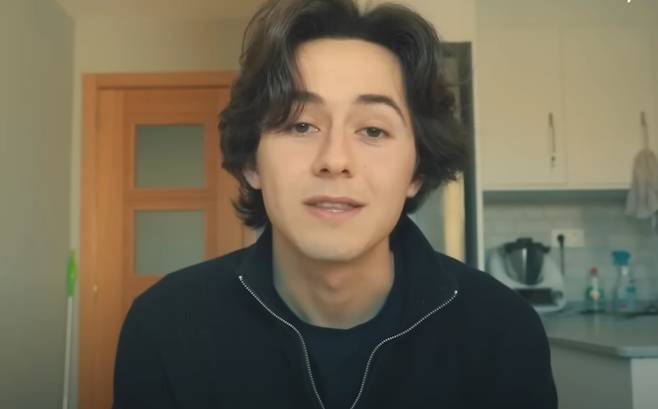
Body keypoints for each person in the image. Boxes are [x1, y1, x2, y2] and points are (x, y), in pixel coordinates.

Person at [113, 0, 558, 408]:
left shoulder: (501, 330)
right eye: (300, 125)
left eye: (373, 130)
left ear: (416, 172)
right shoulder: (165, 325)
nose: (335, 160)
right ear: (251, 162)